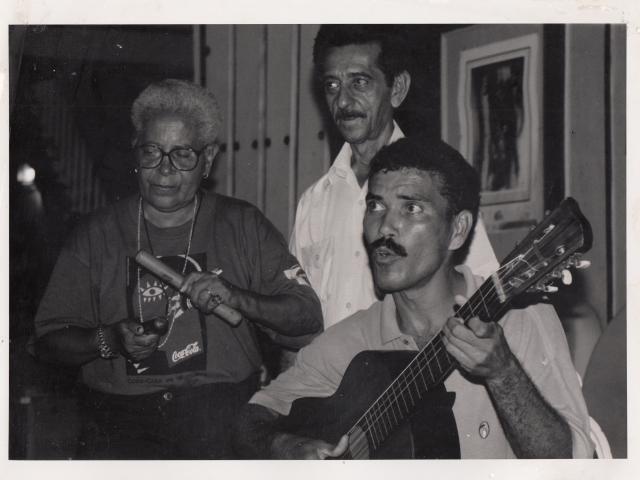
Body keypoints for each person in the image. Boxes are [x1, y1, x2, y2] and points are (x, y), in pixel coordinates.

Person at [233, 137, 593, 459]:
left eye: (411, 208)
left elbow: (571, 462)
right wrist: (283, 445)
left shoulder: (520, 319)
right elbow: (249, 422)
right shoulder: (347, 343)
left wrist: (504, 374)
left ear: (458, 230)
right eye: (375, 206)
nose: (385, 227)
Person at [33, 79, 323, 459]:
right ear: (135, 153)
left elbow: (306, 317)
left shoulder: (242, 224)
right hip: (117, 427)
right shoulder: (95, 234)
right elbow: (47, 343)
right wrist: (108, 340)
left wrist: (237, 297)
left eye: (183, 154)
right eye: (152, 151)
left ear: (209, 159)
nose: (165, 169)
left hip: (219, 420)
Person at [290, 25, 499, 329]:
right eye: (332, 86)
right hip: (328, 374)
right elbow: (298, 314)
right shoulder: (314, 201)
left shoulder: (440, 186)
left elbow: (484, 294)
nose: (343, 102)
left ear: (397, 88)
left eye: (359, 82)